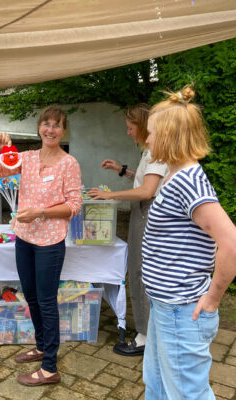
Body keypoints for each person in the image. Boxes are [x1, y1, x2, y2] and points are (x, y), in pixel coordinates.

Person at [142, 86, 236, 399]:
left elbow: (232, 242)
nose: (147, 139)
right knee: (157, 386)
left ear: (168, 136)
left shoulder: (188, 180)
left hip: (182, 311)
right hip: (165, 306)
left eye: (152, 133)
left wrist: (212, 298)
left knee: (186, 394)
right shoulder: (174, 175)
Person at [0, 105, 82, 386]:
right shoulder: (24, 158)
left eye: (57, 125)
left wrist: (40, 212)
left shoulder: (69, 163)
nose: (50, 129)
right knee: (32, 296)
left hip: (50, 240)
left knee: (47, 301)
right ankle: (41, 346)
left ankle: (50, 368)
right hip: (24, 238)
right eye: (46, 124)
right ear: (39, 127)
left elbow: (74, 204)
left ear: (64, 130)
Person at [87, 104, 169, 356]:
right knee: (140, 270)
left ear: (143, 126)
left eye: (130, 127)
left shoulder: (157, 149)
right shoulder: (150, 151)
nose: (128, 132)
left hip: (147, 213)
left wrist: (109, 195)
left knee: (141, 271)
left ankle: (144, 336)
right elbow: (147, 180)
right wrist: (122, 170)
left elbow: (147, 190)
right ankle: (150, 331)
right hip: (144, 212)